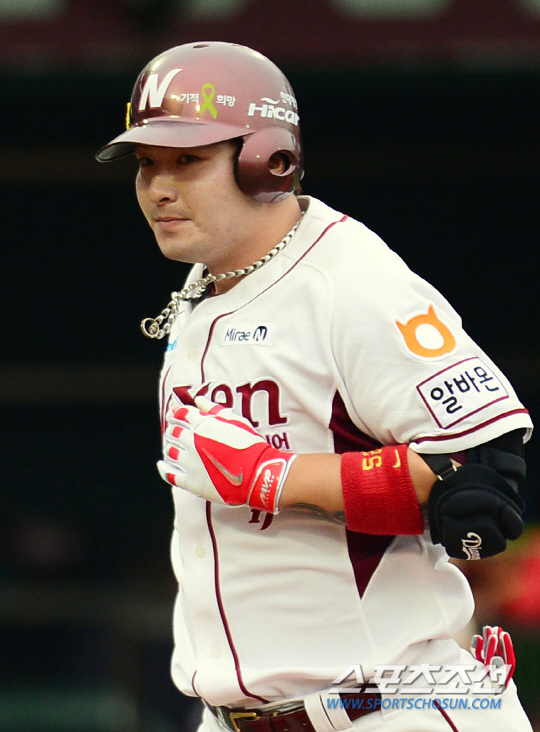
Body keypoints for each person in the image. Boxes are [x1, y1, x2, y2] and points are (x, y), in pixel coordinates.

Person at [96, 41, 534, 732]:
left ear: (267, 160)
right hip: (236, 715)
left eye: (188, 161)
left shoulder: (348, 282)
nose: (159, 187)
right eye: (147, 164)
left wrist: (276, 478)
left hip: (388, 709)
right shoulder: (205, 288)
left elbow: (483, 485)